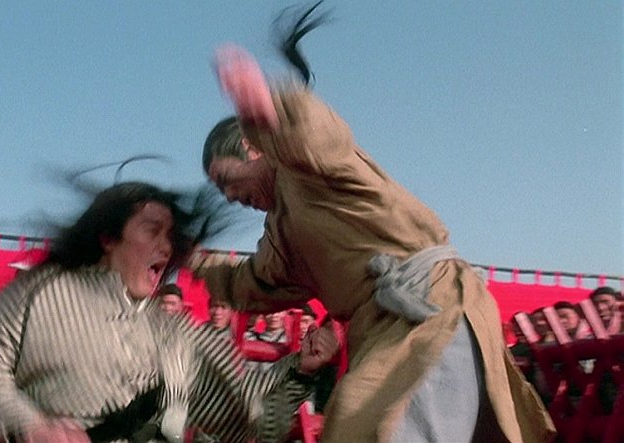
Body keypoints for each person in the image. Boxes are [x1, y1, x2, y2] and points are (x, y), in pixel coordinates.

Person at [192, 4, 554, 441]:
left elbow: (321, 135)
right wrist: (194, 262)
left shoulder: (309, 168)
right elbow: (253, 284)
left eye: (228, 180)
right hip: (385, 333)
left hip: (426, 313)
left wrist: (269, 111)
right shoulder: (279, 234)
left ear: (253, 148)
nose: (230, 196)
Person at [0, 181, 336, 443]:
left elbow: (247, 421)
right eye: (152, 231)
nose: (166, 248)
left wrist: (301, 371)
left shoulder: (176, 333)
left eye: (170, 237)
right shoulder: (37, 292)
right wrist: (31, 425)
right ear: (108, 238)